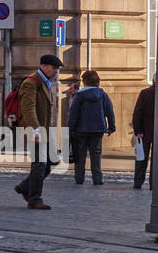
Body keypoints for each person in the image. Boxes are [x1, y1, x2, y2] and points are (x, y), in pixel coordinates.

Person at [15, 54, 62, 210]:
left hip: (45, 130)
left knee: (53, 160)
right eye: (53, 68)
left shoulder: (46, 82)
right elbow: (28, 109)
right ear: (43, 66)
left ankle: (24, 186)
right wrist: (35, 130)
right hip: (35, 129)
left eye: (57, 69)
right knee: (39, 164)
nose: (56, 71)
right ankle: (34, 199)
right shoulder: (31, 83)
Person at [68, 70, 116, 186]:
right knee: (96, 155)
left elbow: (73, 114)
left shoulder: (79, 96)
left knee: (80, 156)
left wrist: (70, 130)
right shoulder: (103, 95)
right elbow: (110, 111)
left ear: (84, 82)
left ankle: (79, 179)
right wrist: (111, 127)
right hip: (98, 129)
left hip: (81, 130)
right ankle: (97, 179)